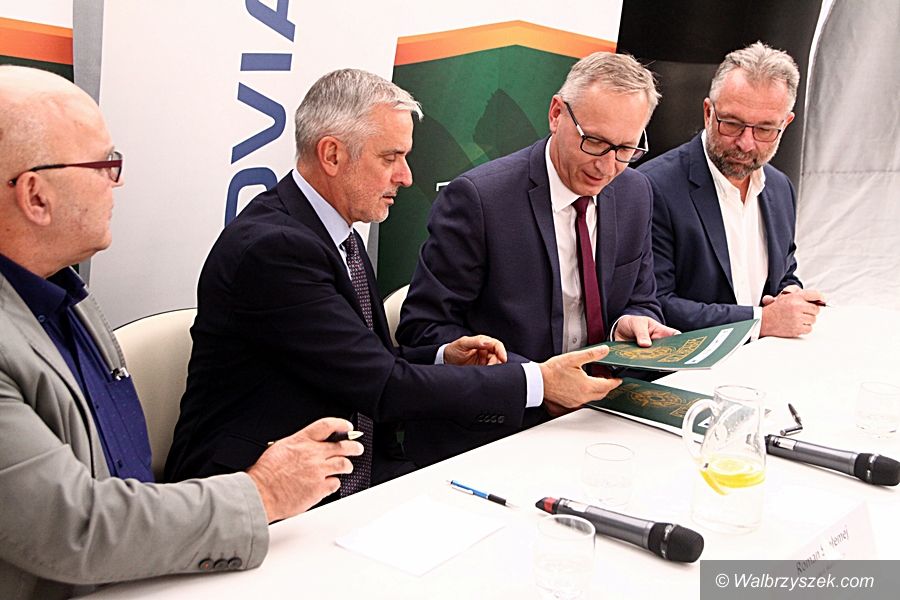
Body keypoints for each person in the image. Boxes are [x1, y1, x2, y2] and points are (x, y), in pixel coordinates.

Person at [0, 66, 368, 600]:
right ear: (36, 196)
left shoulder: (62, 293)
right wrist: (263, 491)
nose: (117, 182)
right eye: (105, 165)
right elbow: (73, 527)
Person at [165, 69, 618, 487]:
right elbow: (382, 385)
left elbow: (356, 360)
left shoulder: (334, 230)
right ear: (332, 154)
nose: (406, 176)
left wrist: (443, 357)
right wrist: (537, 381)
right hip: (253, 488)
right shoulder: (275, 250)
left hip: (348, 470)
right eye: (391, 157)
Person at [396, 51, 676, 437]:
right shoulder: (479, 200)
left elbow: (642, 299)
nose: (606, 166)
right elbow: (423, 331)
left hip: (605, 411)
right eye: (594, 141)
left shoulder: (635, 192)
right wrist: (537, 382)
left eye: (626, 149)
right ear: (557, 114)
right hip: (503, 426)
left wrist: (629, 323)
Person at [637, 42, 825, 337]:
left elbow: (784, 272)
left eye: (765, 129)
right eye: (733, 124)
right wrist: (761, 321)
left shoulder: (780, 188)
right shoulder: (651, 187)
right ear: (707, 112)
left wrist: (790, 295)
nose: (746, 143)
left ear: (786, 123)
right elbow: (655, 304)